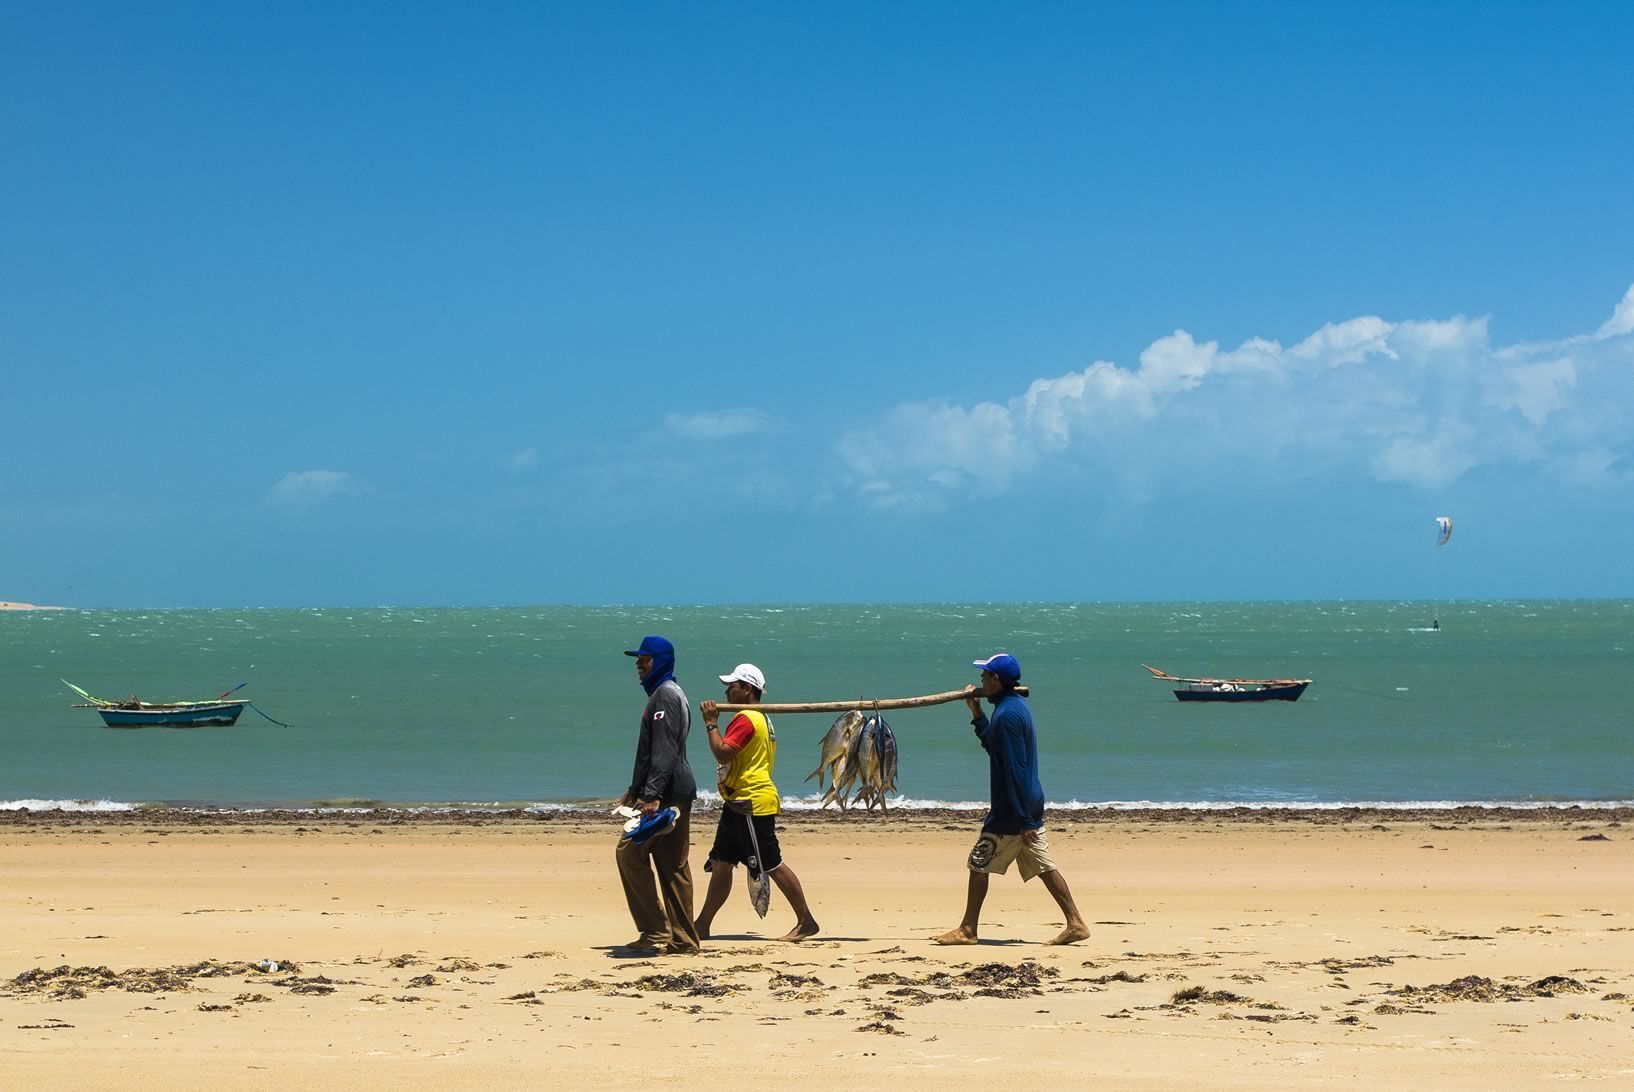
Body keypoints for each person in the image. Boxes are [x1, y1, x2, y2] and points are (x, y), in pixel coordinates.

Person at [933, 652, 1089, 946]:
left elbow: (1015, 770)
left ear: (996, 680)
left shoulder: (1006, 716)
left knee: (978, 863)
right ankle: (1076, 923)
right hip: (1027, 804)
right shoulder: (1013, 707)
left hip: (1012, 810)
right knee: (1044, 865)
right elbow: (997, 750)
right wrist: (977, 715)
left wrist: (1025, 820)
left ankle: (968, 929)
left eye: (985, 675)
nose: (981, 679)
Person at [694, 663, 820, 943]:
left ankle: (806, 921)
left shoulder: (747, 719)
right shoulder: (761, 718)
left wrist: (711, 724)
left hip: (752, 801)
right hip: (736, 802)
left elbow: (723, 753)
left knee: (771, 864)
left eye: (732, 686)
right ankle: (702, 924)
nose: (727, 691)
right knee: (721, 863)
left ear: (747, 689)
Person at [615, 635, 701, 955]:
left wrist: (651, 794)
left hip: (668, 794)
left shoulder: (665, 696)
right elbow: (658, 752)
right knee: (672, 865)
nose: (639, 665)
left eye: (645, 659)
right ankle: (683, 939)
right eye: (638, 660)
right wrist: (634, 789)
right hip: (675, 790)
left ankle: (654, 930)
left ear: (661, 661)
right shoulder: (668, 693)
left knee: (629, 851)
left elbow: (665, 751)